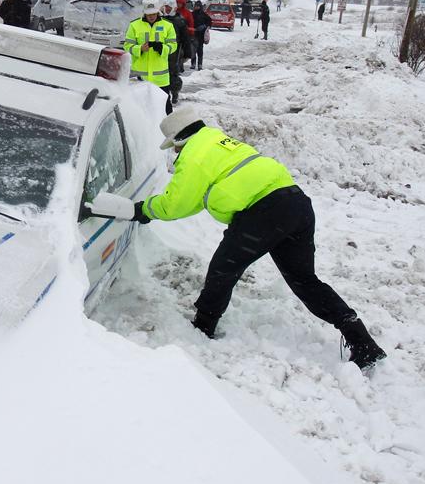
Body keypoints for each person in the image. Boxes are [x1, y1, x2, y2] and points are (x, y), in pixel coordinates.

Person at [131, 107, 387, 372]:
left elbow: (176, 203)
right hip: (296, 204)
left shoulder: (193, 155)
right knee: (305, 281)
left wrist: (144, 210)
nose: (174, 152)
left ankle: (203, 326)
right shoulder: (218, 142)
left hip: (263, 212)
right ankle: (362, 341)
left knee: (224, 267)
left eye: (174, 146)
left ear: (180, 140)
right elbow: (195, 198)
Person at [123, 0, 177, 114]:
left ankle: (168, 132)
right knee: (139, 111)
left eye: (153, 13)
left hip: (161, 79)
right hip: (140, 78)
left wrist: (162, 48)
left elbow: (173, 45)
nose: (151, 16)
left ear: (158, 12)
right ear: (144, 13)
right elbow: (127, 46)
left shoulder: (168, 26)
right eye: (149, 14)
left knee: (165, 110)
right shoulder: (134, 25)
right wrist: (140, 49)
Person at [162, 3, 187, 105]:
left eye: (169, 7)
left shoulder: (179, 20)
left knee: (173, 75)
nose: (167, 9)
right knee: (162, 75)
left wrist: (187, 52)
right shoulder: (159, 19)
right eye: (166, 7)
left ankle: (175, 93)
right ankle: (164, 95)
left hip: (175, 53)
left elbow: (185, 38)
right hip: (161, 52)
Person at [175, 0, 195, 68]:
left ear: (183, 3)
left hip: (184, 35)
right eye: (177, 3)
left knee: (182, 52)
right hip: (175, 34)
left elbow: (191, 23)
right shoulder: (174, 11)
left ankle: (180, 65)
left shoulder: (187, 13)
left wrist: (191, 34)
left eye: (180, 3)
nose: (178, 4)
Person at [191, 1, 212, 70]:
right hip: (193, 34)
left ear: (200, 7)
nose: (196, 7)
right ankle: (193, 63)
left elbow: (209, 22)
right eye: (195, 6)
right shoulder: (192, 14)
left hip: (200, 35)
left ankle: (200, 64)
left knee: (200, 50)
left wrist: (204, 26)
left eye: (198, 6)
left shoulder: (204, 15)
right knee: (193, 49)